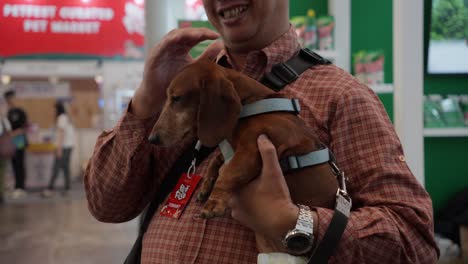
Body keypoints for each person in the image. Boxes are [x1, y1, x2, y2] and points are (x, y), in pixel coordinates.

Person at [85, 1, 439, 263]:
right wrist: (148, 98)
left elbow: (414, 241)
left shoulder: (341, 96)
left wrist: (293, 222)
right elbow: (107, 204)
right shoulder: (187, 87)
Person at [42, 102, 75, 197]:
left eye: (54, 109)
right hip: (69, 145)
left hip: (64, 146)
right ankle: (67, 188)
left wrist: (59, 148)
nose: (53, 111)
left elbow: (61, 133)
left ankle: (49, 189)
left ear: (57, 109)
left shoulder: (61, 118)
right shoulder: (65, 117)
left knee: (56, 167)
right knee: (65, 168)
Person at [4, 90, 28, 199]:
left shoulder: (20, 111)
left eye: (10, 98)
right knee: (14, 164)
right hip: (11, 143)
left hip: (20, 141)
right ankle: (16, 186)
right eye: (7, 99)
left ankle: (21, 187)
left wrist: (13, 133)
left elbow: (24, 128)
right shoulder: (7, 113)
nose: (9, 101)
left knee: (20, 164)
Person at [0, 106, 12, 205]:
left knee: (2, 172)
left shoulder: (4, 121)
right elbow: (9, 133)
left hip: (2, 150)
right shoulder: (4, 121)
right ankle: (1, 194)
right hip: (3, 150)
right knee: (2, 173)